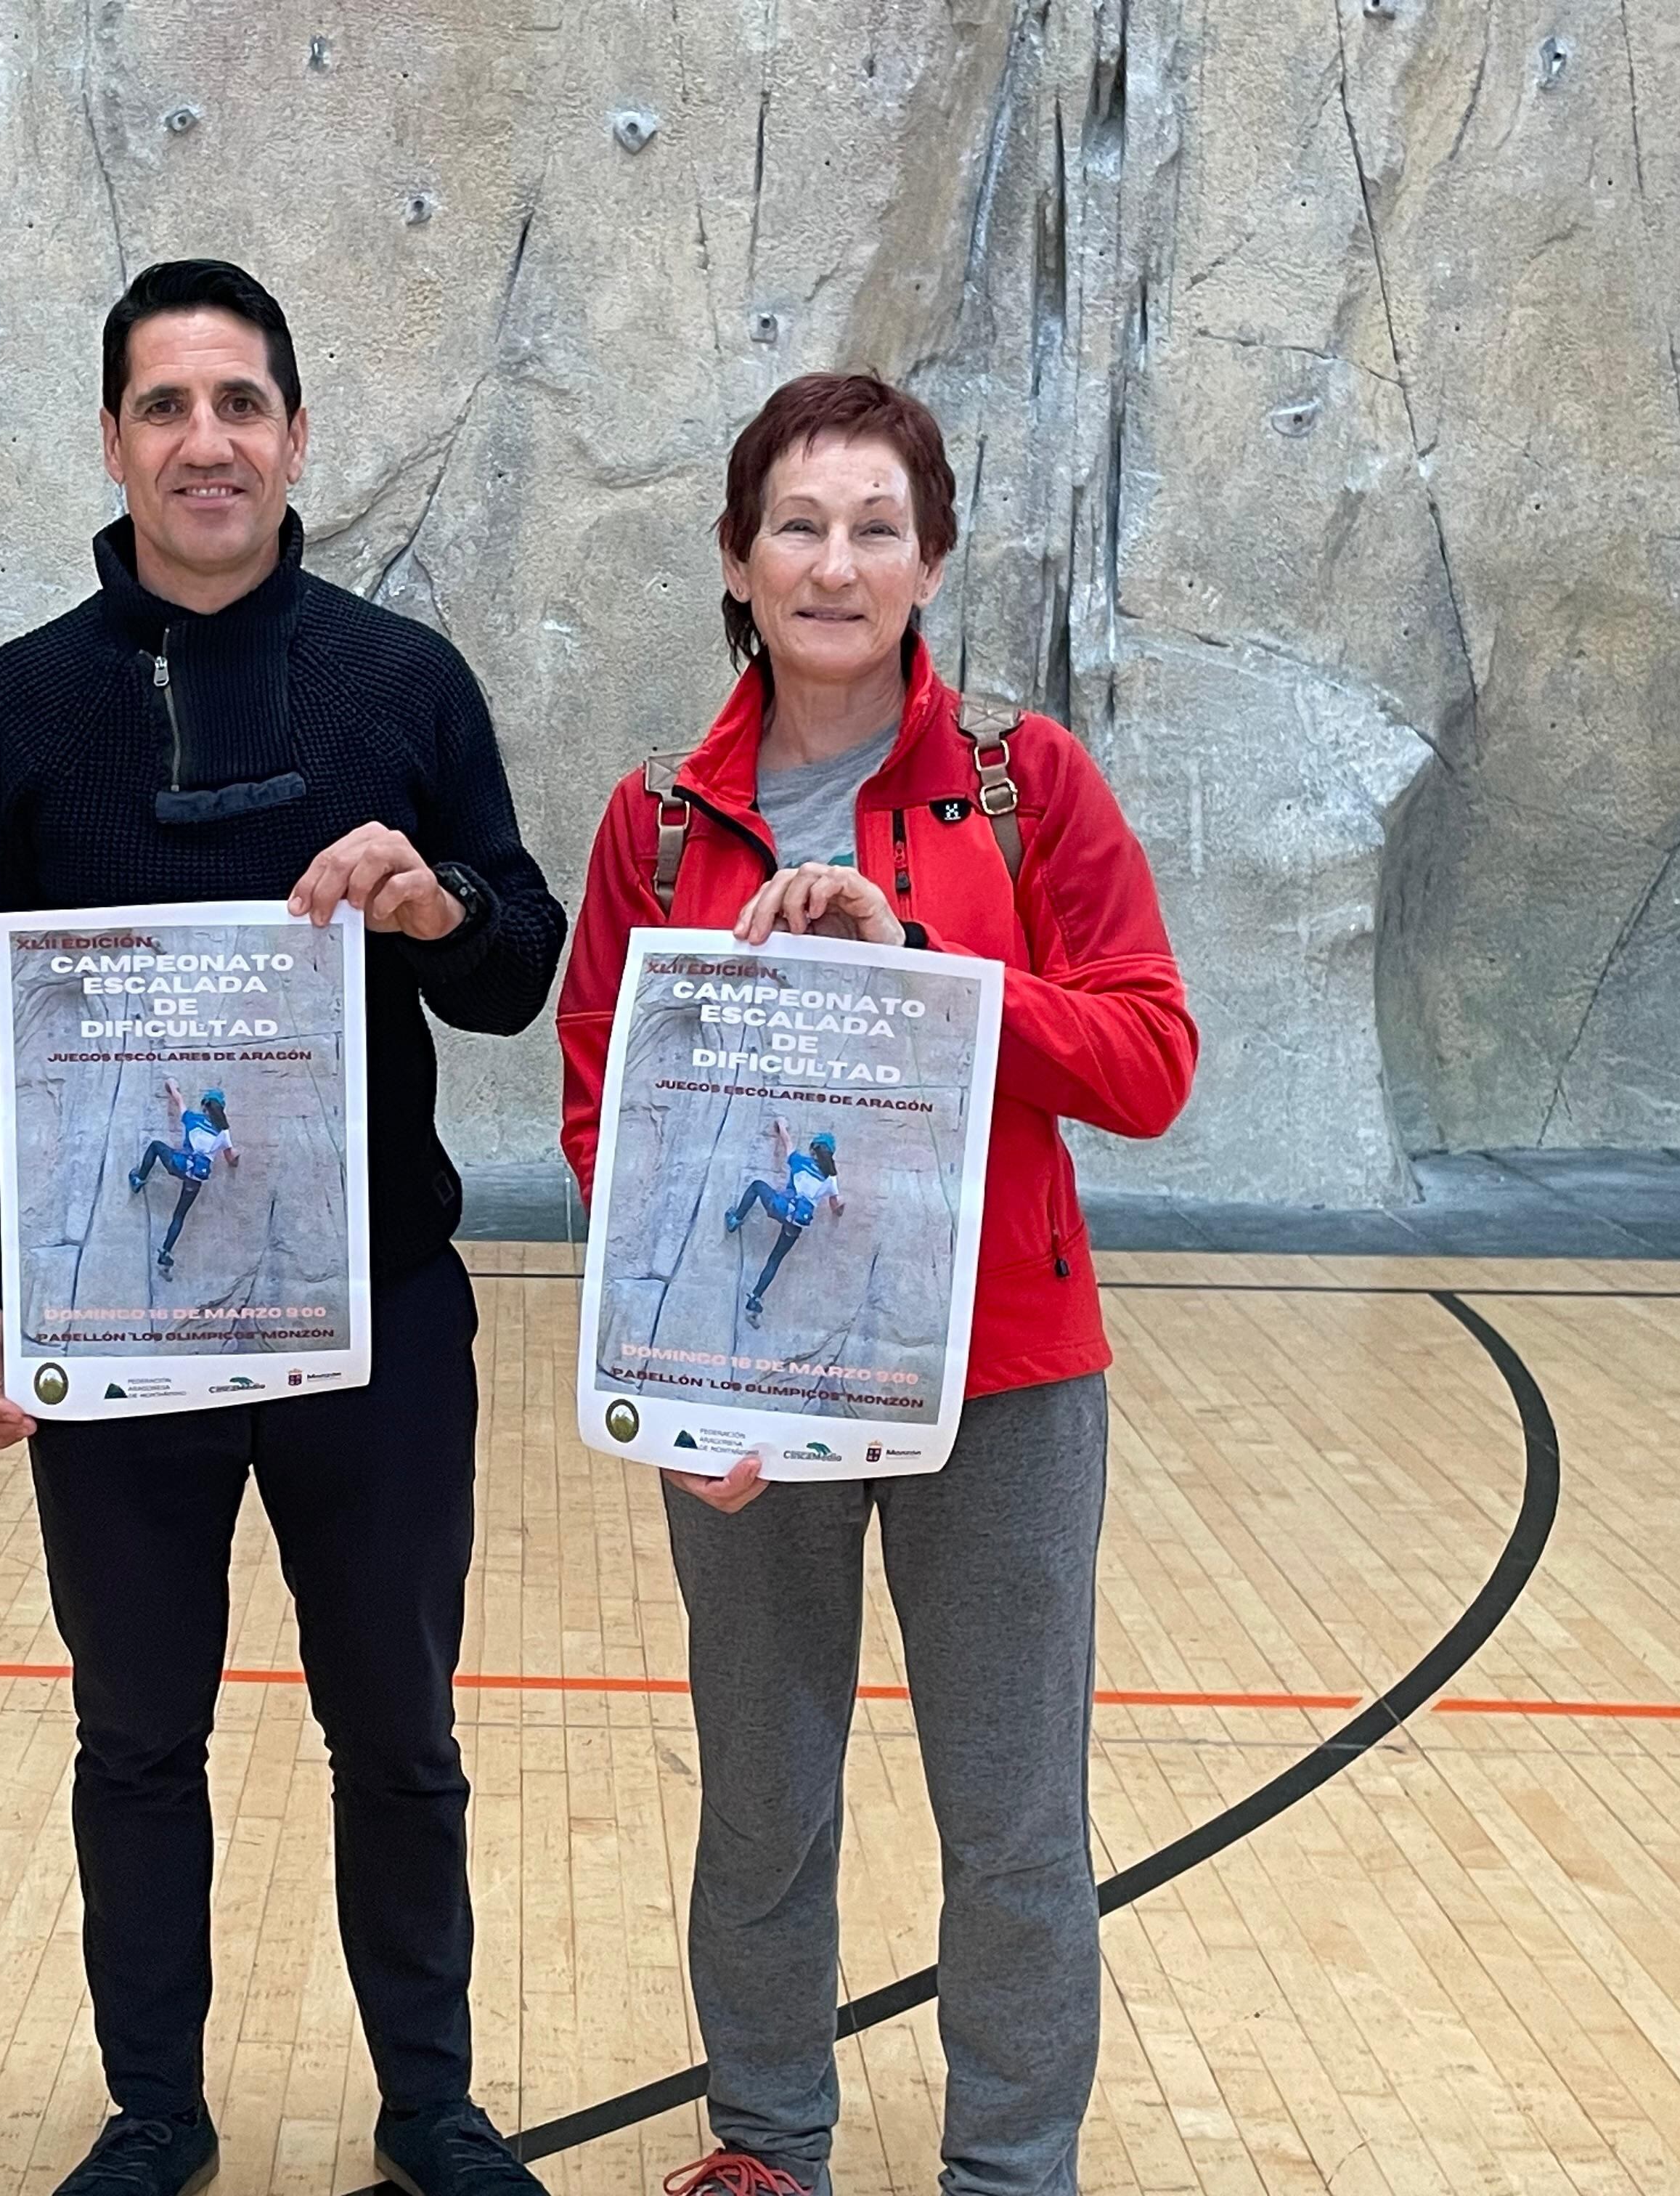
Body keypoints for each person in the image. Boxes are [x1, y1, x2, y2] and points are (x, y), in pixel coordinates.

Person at [0, 260, 567, 2196]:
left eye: (243, 404)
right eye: (168, 406)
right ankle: (155, 2112)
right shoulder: (19, 707)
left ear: (294, 438)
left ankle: (431, 2103)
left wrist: (440, 904)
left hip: (371, 1314)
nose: (208, 440)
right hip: (118, 1329)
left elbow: (518, 965)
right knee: (135, 1739)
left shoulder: (405, 681)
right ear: (113, 441)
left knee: (401, 1732)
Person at [555, 372, 1198, 2196]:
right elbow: (607, 1114)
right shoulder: (658, 826)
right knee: (762, 1796)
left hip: (1001, 1384)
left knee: (1011, 1822)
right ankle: (768, 2145)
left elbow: (1151, 1060)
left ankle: (1011, 2168)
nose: (834, 563)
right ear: (739, 562)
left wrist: (929, 969)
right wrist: (682, 1367)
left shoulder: (1024, 785)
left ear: (930, 564)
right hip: (751, 1386)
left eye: (874, 529)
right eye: (798, 527)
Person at [723, 1119, 840, 1322]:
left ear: (813, 1149)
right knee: (775, 1259)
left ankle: (735, 1219)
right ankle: (755, 1299)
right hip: (796, 1223)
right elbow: (835, 1205)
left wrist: (782, 1125)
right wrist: (840, 1209)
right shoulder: (830, 1179)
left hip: (780, 1207)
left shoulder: (800, 1161)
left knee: (757, 1186)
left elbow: (787, 1142)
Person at [127, 1078, 236, 1273]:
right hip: (195, 1179)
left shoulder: (192, 1118)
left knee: (156, 1147)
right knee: (179, 1215)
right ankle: (165, 1254)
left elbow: (178, 1100)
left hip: (177, 1164)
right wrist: (236, 1160)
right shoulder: (223, 1132)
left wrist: (172, 1085)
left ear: (204, 1105)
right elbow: (230, 1157)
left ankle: (138, 1179)